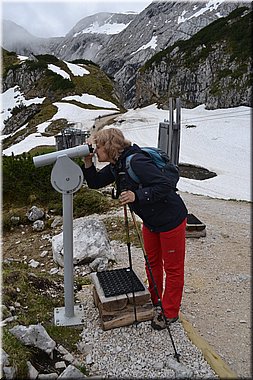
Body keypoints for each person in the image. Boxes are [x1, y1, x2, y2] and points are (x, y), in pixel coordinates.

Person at [82, 127, 188, 330]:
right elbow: (94, 183)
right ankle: (155, 298)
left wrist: (136, 196)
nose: (96, 150)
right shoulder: (117, 165)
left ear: (109, 146)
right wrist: (88, 161)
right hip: (151, 221)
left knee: (173, 269)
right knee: (152, 262)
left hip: (170, 219)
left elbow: (166, 185)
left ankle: (169, 312)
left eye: (98, 146)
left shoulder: (135, 162)